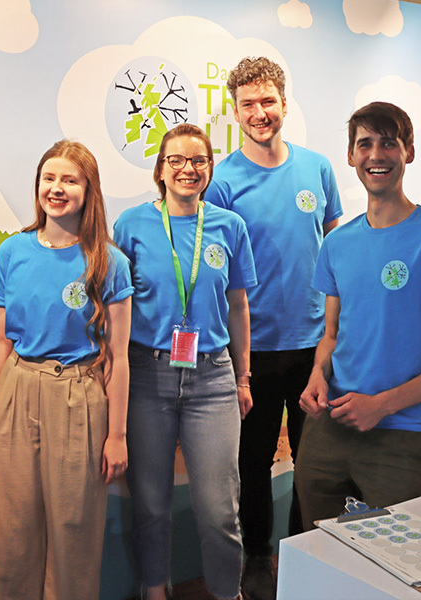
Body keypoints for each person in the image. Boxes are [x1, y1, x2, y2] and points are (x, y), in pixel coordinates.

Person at [295, 102, 421, 530]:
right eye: (364, 144)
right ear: (350, 155)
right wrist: (316, 375)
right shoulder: (338, 243)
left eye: (389, 143)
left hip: (405, 430)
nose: (376, 155)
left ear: (409, 152)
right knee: (319, 552)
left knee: (391, 567)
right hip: (331, 424)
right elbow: (330, 334)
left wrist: (381, 405)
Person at [203, 56, 342, 599]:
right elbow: (214, 269)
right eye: (248, 105)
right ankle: (257, 557)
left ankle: (303, 550)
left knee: (314, 460)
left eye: (268, 102)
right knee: (252, 462)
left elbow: (336, 250)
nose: (260, 113)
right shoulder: (222, 181)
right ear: (235, 112)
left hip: (314, 344)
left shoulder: (318, 168)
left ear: (285, 103)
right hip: (252, 351)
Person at [0, 140, 133, 599]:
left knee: (74, 524)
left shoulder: (108, 261)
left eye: (69, 180)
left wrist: (117, 435)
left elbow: (118, 356)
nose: (56, 189)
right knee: (11, 524)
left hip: (79, 392)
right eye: (49, 178)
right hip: (17, 388)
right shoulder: (12, 252)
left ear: (89, 190)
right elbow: (1, 339)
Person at [115, 123, 256, 600]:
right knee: (150, 504)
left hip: (213, 378)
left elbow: (238, 306)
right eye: (176, 160)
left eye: (198, 160)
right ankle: (155, 590)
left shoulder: (229, 226)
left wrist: (243, 376)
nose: (187, 169)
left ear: (210, 168)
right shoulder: (131, 226)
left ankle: (225, 593)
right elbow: (118, 307)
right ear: (160, 168)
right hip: (147, 376)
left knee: (219, 508)